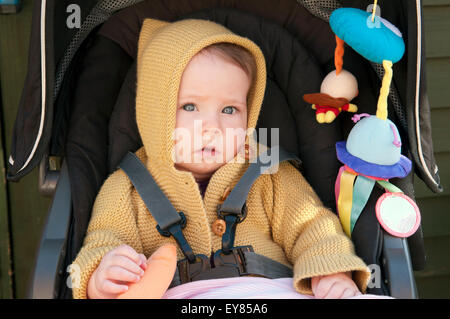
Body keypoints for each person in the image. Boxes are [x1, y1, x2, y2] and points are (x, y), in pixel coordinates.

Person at [70, 18, 372, 300]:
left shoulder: (269, 172)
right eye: (190, 107)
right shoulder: (128, 187)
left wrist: (331, 270)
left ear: (249, 112)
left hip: (267, 292)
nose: (212, 126)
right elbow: (103, 240)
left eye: (229, 110)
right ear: (154, 110)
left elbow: (312, 226)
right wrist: (102, 276)